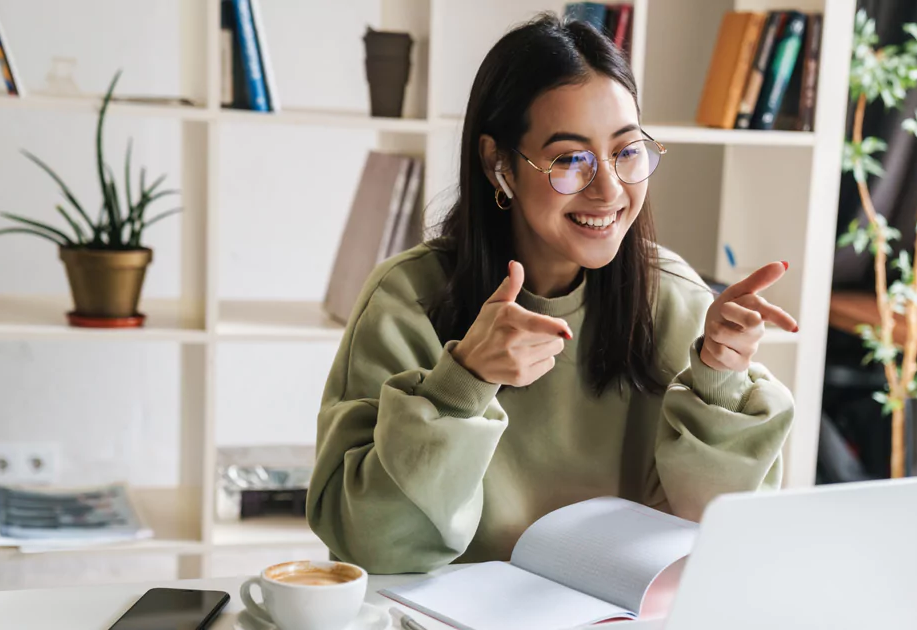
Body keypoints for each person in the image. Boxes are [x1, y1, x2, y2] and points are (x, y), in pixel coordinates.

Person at [307, 12, 798, 575]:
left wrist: (721, 378)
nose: (608, 190)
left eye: (627, 151)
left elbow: (720, 536)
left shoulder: (675, 300)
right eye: (570, 160)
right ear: (498, 164)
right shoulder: (407, 301)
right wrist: (462, 383)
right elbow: (371, 547)